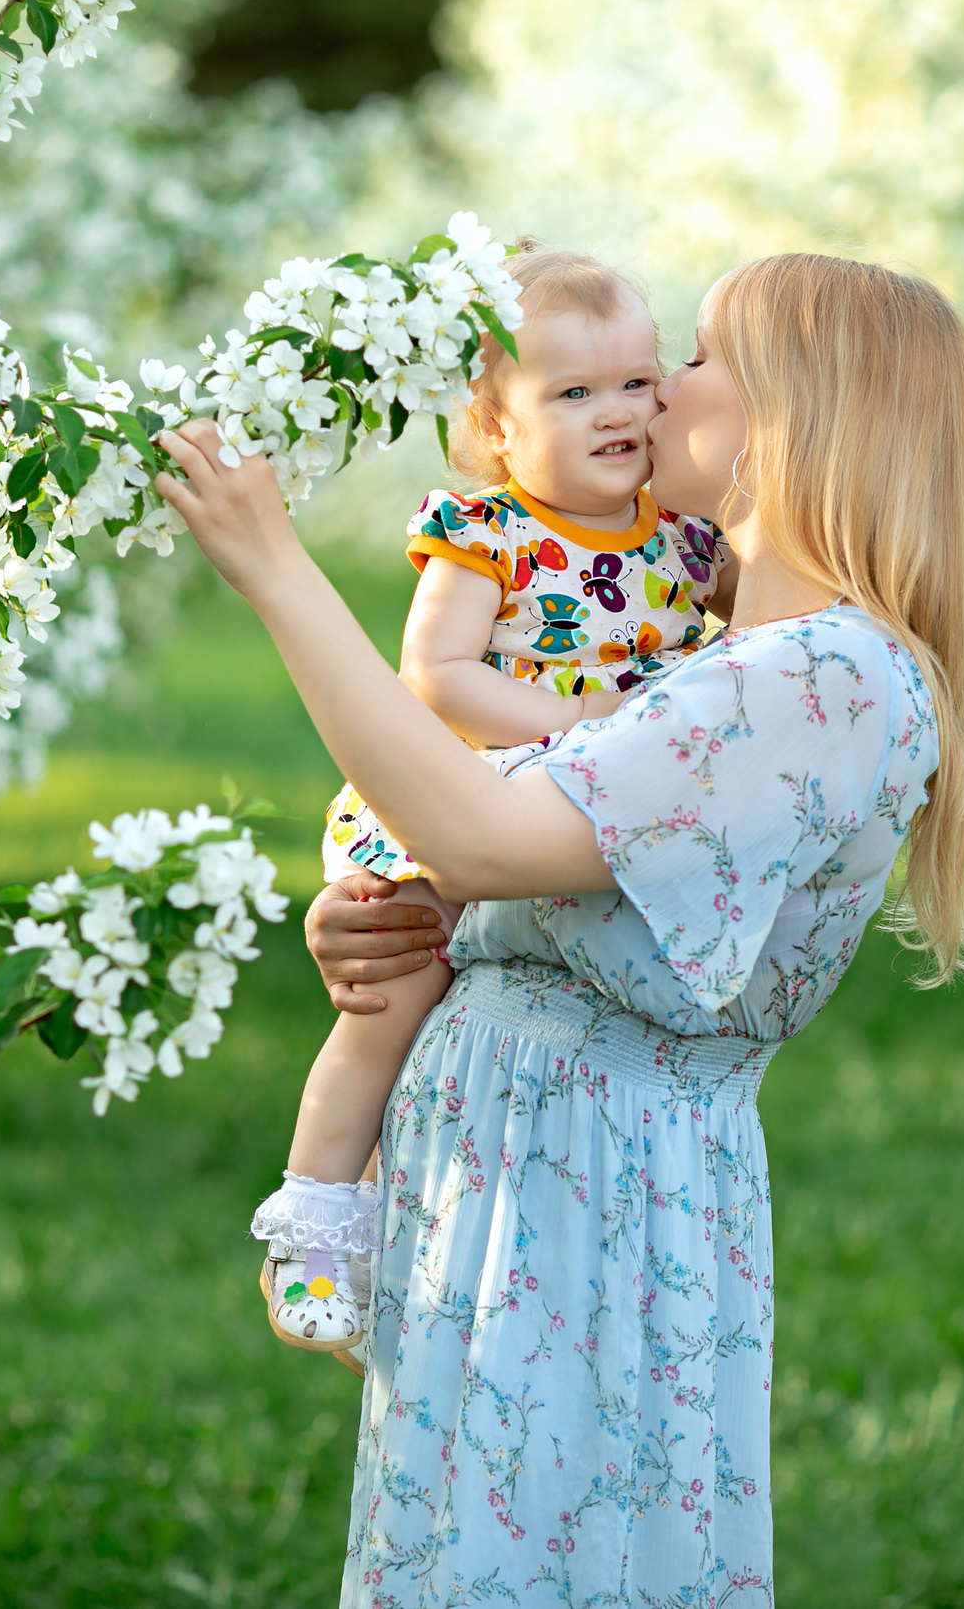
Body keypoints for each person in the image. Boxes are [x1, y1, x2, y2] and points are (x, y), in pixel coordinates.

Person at [156, 252, 964, 1605]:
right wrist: (397, 914)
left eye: (701, 358)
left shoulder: (826, 672)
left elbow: (492, 837)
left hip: (584, 1203)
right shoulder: (706, 657)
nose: (660, 383)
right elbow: (504, 852)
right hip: (521, 1172)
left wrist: (275, 569)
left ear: (798, 418)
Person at [249, 244, 729, 1361]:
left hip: (567, 835)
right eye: (572, 393)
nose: (618, 412)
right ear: (497, 428)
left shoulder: (685, 542)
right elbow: (438, 677)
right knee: (388, 1008)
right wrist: (587, 729)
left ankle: (424, 1245)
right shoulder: (488, 533)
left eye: (637, 380)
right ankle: (317, 1227)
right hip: (447, 810)